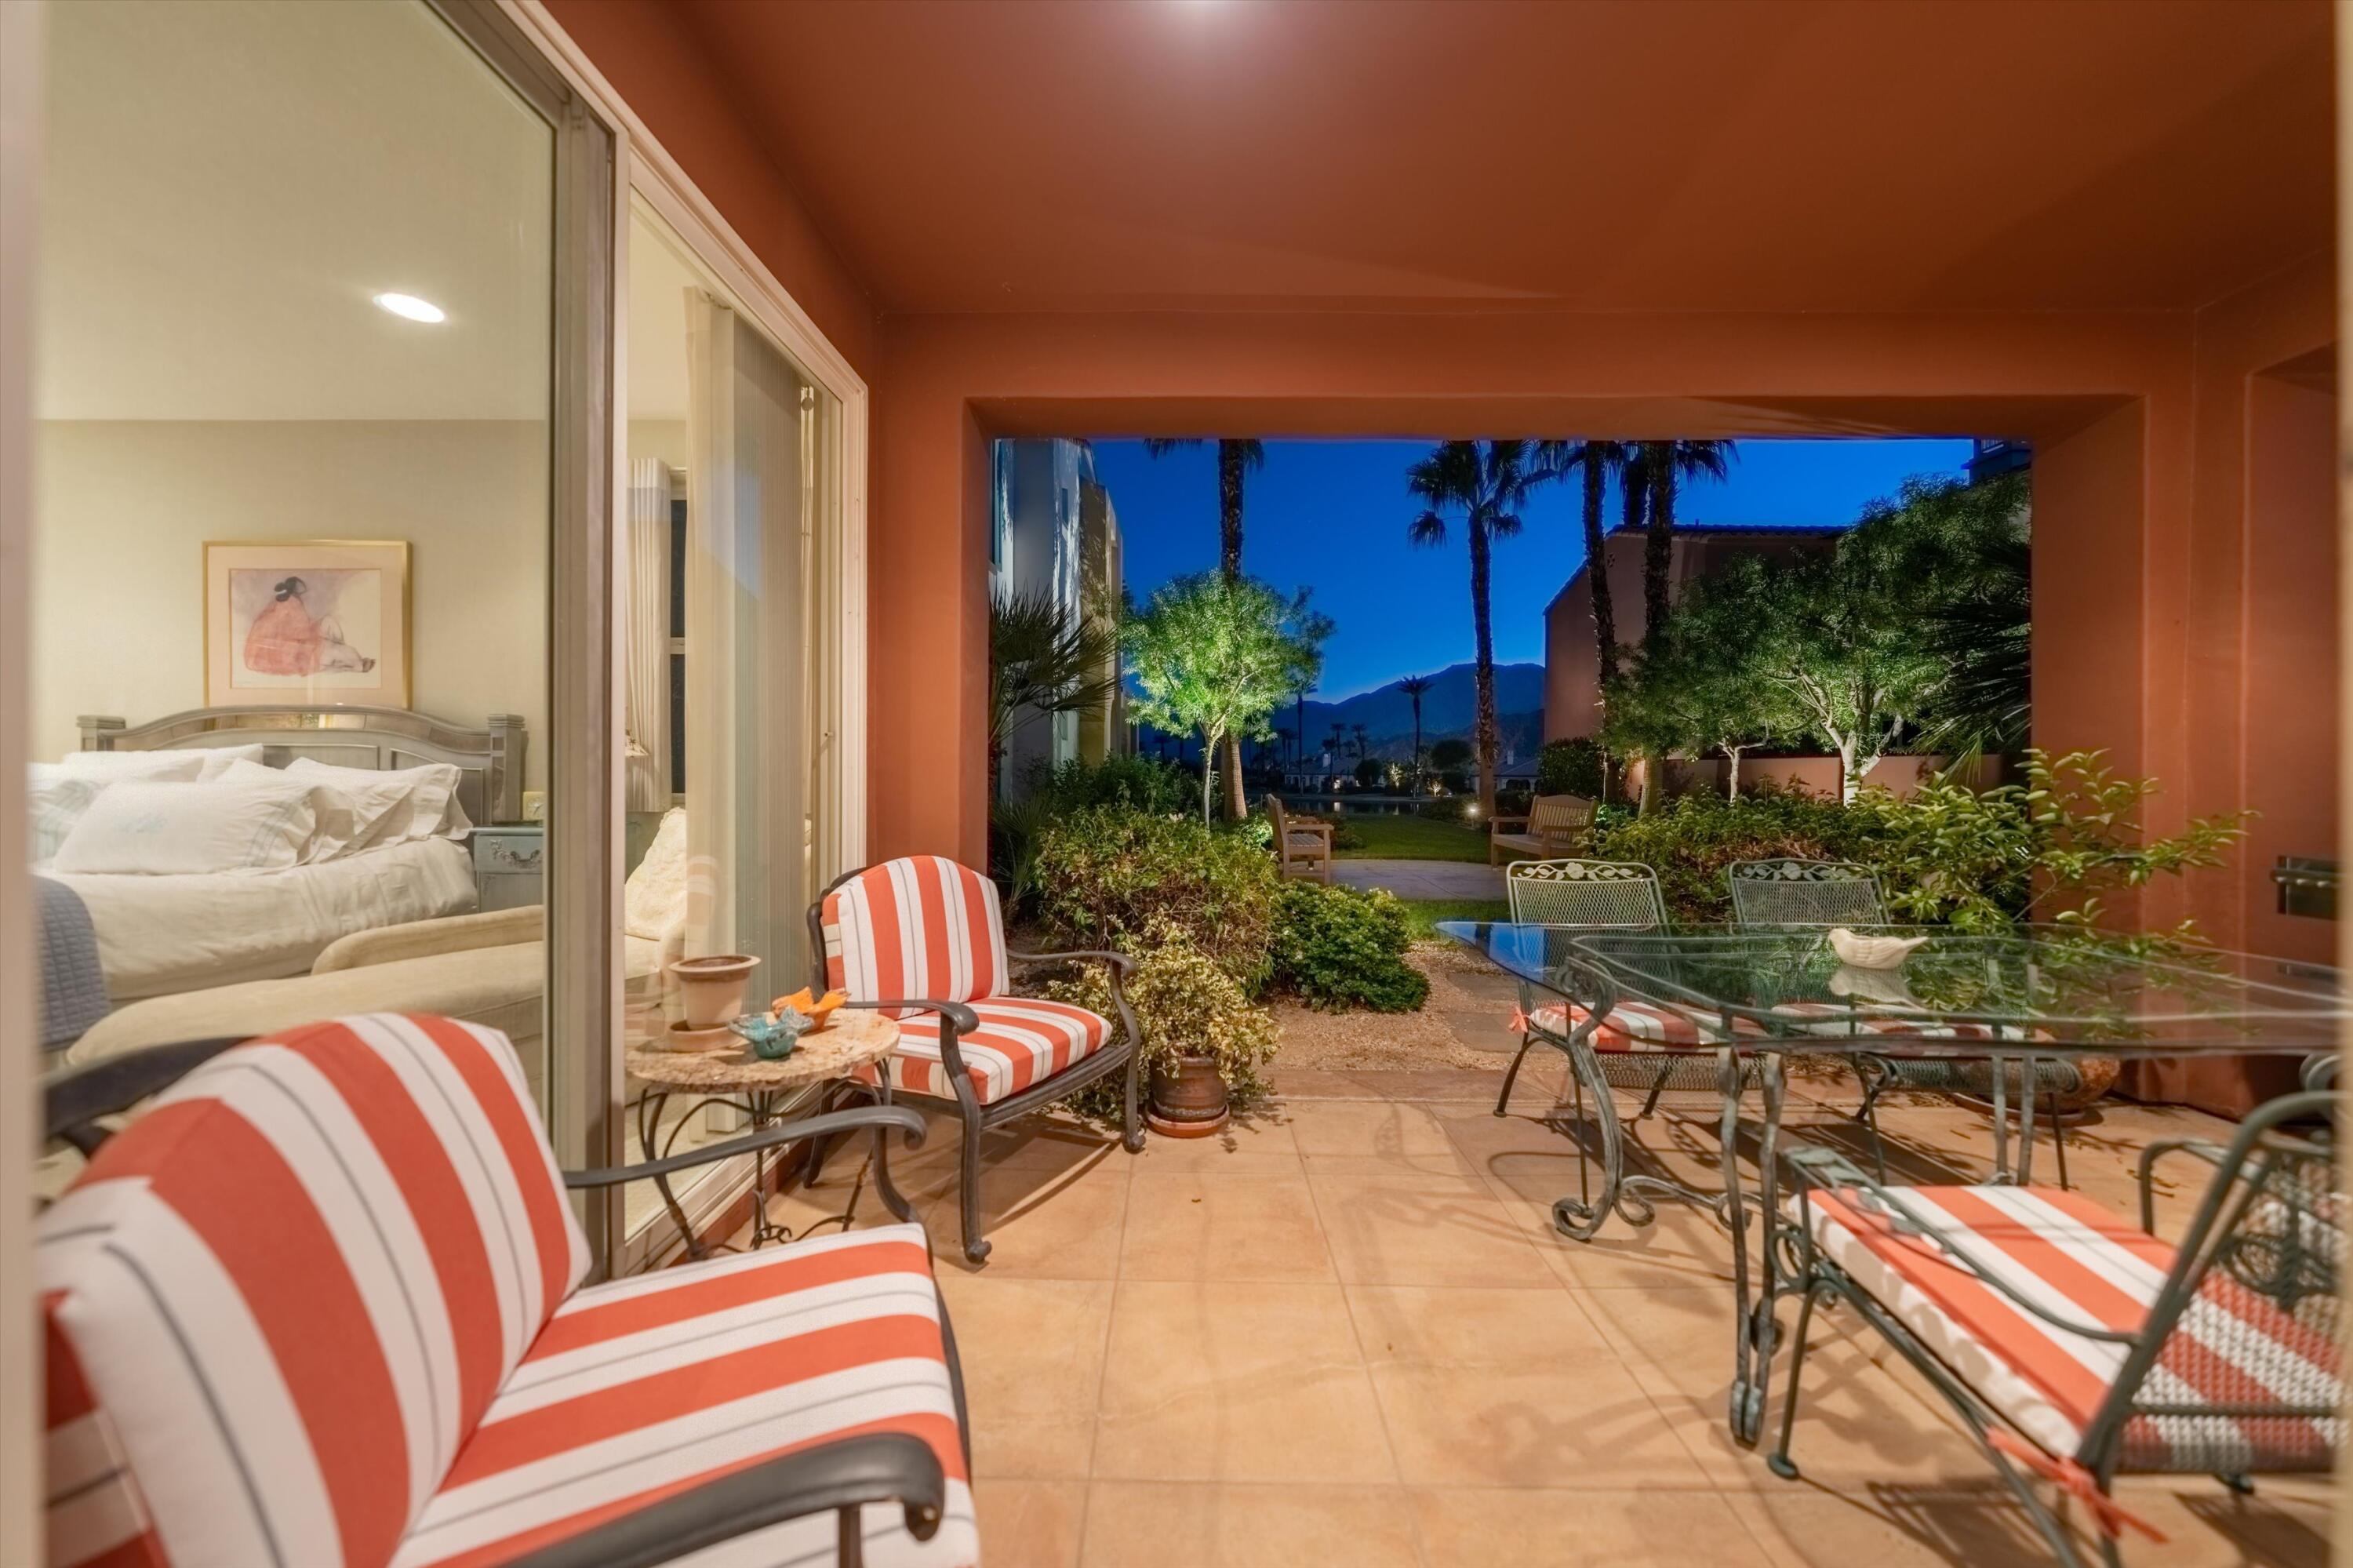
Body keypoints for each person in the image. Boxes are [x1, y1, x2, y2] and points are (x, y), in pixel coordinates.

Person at [242, 575, 376, 677]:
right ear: (296, 590)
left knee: (329, 623)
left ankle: (347, 659)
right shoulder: (291, 603)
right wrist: (321, 636)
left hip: (282, 647)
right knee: (334, 645)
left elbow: (298, 630)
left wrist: (318, 631)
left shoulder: (279, 604)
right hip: (289, 654)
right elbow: (301, 633)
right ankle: (357, 665)